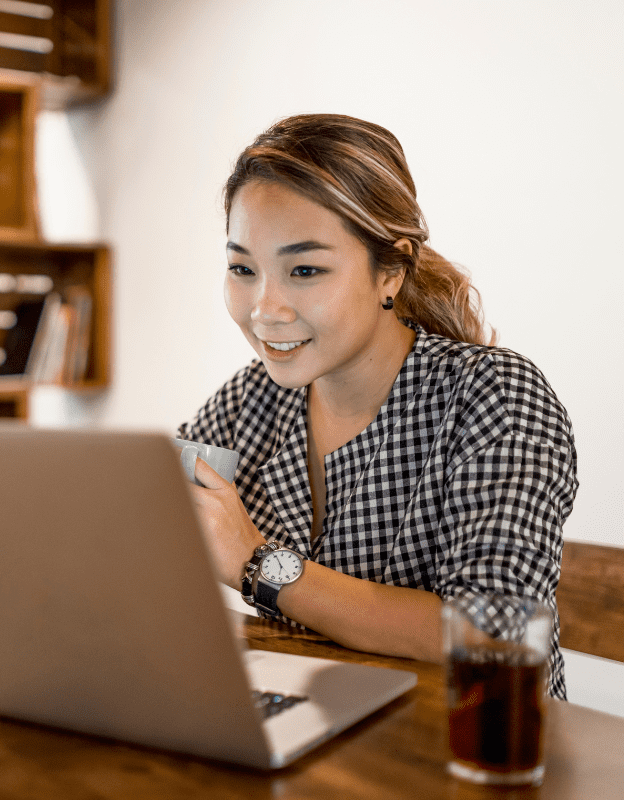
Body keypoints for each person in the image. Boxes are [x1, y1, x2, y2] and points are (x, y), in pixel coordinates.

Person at [178, 113, 577, 699]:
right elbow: (143, 528)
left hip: (469, 756)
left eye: (305, 270)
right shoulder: (248, 401)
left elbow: (497, 633)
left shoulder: (493, 396)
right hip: (320, 738)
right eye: (243, 269)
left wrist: (256, 563)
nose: (264, 309)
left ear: (390, 270)